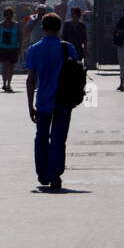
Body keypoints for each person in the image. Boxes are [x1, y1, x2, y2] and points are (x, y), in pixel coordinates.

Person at [25, 13, 79, 190]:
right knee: (58, 138)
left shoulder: (34, 49)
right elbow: (76, 72)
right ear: (59, 28)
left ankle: (42, 173)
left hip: (43, 101)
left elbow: (31, 79)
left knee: (41, 137)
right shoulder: (68, 48)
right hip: (64, 100)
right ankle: (55, 174)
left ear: (43, 28)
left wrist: (30, 105)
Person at [0, 7, 22, 93]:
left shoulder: (16, 25)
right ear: (4, 16)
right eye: (7, 15)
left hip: (13, 47)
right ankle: (4, 83)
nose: (8, 16)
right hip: (3, 47)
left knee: (11, 67)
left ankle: (9, 83)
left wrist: (20, 48)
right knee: (4, 65)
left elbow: (19, 37)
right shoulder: (0, 25)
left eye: (10, 15)